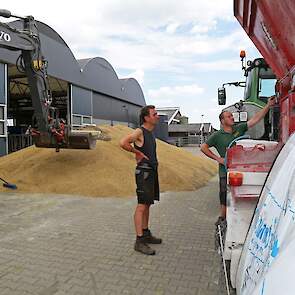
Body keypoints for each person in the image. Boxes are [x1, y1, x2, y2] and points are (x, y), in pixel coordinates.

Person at [201, 96, 276, 222]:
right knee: (224, 193)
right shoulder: (217, 135)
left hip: (240, 169)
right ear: (222, 121)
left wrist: (268, 106)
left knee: (239, 193)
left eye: (232, 116)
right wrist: (218, 159)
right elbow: (203, 147)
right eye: (229, 116)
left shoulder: (239, 128)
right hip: (225, 171)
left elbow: (255, 120)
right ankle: (222, 217)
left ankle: (239, 216)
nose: (232, 118)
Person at [120, 105, 162, 255]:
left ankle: (146, 233)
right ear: (146, 118)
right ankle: (139, 241)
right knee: (141, 206)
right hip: (143, 173)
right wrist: (135, 151)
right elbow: (123, 142)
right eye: (154, 114)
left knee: (148, 204)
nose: (157, 116)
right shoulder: (140, 131)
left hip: (151, 172)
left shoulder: (150, 133)